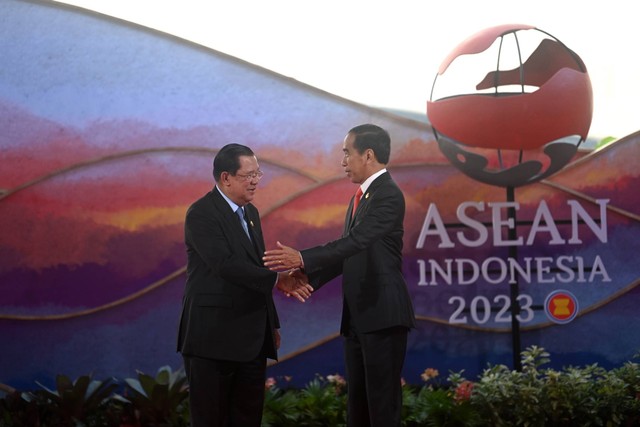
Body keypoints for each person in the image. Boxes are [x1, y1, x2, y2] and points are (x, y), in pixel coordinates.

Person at [263, 124, 416, 427]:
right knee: (358, 407)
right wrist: (308, 275)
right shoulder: (360, 197)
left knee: (382, 409)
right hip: (360, 316)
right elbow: (351, 253)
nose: (343, 161)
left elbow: (355, 242)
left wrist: (303, 256)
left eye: (347, 153)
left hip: (382, 316)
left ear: (368, 155)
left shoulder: (387, 195)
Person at [177, 143, 313, 427]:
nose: (255, 181)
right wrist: (279, 279)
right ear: (226, 178)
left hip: (250, 340)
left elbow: (256, 269)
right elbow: (225, 265)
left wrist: (270, 324)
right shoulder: (201, 213)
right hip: (213, 340)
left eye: (258, 174)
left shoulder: (249, 214)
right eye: (248, 175)